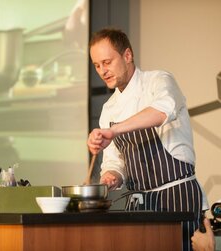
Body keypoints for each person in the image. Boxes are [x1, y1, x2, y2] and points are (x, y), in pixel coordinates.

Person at [87, 28, 207, 251]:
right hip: (140, 203)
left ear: (128, 55)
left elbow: (162, 111)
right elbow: (115, 162)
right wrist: (111, 177)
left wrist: (113, 131)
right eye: (97, 65)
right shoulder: (109, 109)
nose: (102, 71)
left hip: (178, 197)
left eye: (107, 62)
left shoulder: (158, 81)